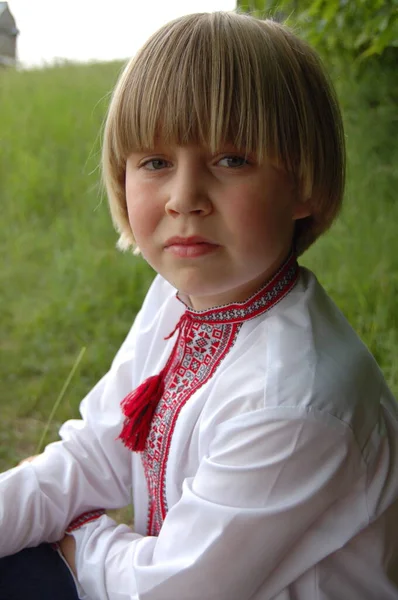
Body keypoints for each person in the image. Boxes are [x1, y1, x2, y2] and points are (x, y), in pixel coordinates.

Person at [1, 10, 397, 600]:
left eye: (231, 159)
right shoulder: (184, 296)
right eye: (155, 162)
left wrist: (77, 543)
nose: (185, 198)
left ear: (304, 183)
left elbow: (172, 589)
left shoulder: (295, 400)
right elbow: (97, 453)